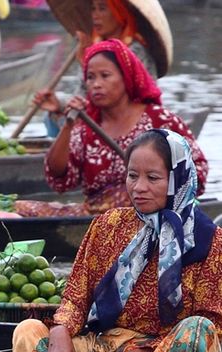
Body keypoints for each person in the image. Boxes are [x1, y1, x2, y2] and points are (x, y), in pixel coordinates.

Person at [12, 129, 222, 352]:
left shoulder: (208, 240)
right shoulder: (107, 225)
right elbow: (76, 298)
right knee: (28, 329)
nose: (139, 187)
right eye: (132, 176)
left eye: (153, 178)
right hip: (101, 346)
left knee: (199, 330)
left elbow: (215, 326)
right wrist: (60, 330)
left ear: (177, 180)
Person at [14, 39, 208, 218]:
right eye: (90, 77)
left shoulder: (160, 121)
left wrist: (152, 191)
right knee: (17, 208)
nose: (96, 84)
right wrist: (68, 125)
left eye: (105, 76)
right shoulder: (86, 127)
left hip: (148, 214)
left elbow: (197, 170)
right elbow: (59, 177)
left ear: (126, 78)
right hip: (96, 217)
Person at [34, 0, 161, 136]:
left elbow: (130, 100)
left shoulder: (135, 52)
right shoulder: (93, 49)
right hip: (95, 115)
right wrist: (59, 103)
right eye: (93, 9)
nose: (95, 15)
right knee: (51, 116)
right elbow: (82, 96)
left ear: (120, 13)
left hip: (124, 122)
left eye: (102, 9)